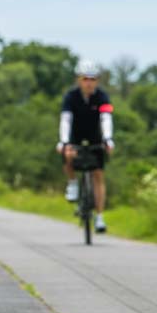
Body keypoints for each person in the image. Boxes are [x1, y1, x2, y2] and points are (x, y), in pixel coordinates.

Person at [57, 59, 114, 233]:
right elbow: (66, 120)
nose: (89, 83)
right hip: (75, 134)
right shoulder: (70, 96)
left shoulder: (103, 97)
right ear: (78, 79)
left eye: (92, 79)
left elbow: (106, 118)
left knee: (98, 175)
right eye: (85, 79)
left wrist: (108, 139)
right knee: (67, 153)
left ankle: (100, 217)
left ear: (97, 80)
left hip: (95, 135)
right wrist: (64, 141)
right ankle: (73, 183)